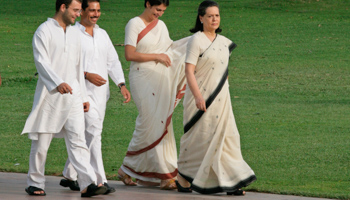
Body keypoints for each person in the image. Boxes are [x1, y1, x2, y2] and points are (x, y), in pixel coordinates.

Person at [21, 0, 107, 197]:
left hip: (74, 95)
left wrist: (83, 95)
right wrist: (57, 82)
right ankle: (35, 182)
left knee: (78, 139)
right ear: (63, 7)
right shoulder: (44, 31)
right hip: (50, 95)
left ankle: (87, 183)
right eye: (75, 10)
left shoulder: (75, 32)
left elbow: (78, 66)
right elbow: (41, 61)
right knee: (42, 141)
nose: (79, 14)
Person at [176, 0, 257, 195]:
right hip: (200, 98)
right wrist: (197, 96)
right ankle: (183, 177)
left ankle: (230, 181)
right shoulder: (196, 40)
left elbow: (223, 72)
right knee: (198, 138)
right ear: (201, 18)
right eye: (210, 16)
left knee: (227, 138)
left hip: (222, 100)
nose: (214, 19)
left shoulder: (224, 42)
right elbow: (189, 71)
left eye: (217, 15)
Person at [59, 0, 131, 194]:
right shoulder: (72, 34)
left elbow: (112, 60)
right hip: (79, 92)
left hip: (101, 95)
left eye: (98, 11)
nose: (95, 14)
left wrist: (121, 84)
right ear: (82, 11)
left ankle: (70, 174)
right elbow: (65, 64)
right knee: (93, 132)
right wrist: (86, 75)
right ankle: (99, 180)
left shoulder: (102, 34)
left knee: (86, 134)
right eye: (92, 10)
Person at [117, 0, 189, 190]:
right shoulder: (134, 24)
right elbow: (129, 54)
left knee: (160, 121)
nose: (160, 14)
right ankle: (162, 175)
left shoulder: (162, 25)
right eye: (157, 9)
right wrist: (156, 56)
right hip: (142, 75)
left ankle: (129, 169)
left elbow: (169, 49)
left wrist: (192, 45)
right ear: (148, 4)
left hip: (160, 76)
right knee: (149, 121)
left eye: (163, 11)